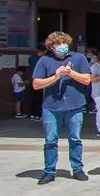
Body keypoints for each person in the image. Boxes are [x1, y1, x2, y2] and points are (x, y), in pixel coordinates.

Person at [32, 32, 92, 185]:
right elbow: (36, 84)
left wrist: (70, 73)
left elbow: (87, 80)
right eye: (58, 44)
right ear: (51, 47)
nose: (62, 47)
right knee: (51, 140)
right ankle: (49, 171)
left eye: (64, 43)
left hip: (74, 105)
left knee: (75, 138)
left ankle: (77, 169)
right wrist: (56, 76)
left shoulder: (78, 58)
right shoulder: (44, 61)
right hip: (51, 107)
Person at [27, 45, 46, 121]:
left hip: (32, 80)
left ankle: (32, 114)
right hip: (39, 80)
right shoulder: (42, 59)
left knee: (34, 98)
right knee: (39, 98)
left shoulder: (31, 58)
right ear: (44, 51)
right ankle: (38, 115)